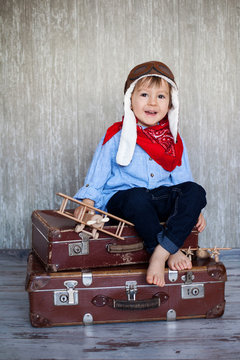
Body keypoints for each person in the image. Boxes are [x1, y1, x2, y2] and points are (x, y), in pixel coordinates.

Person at [74, 60, 207, 287]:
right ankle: (166, 251)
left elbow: (182, 179)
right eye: (144, 94)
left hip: (158, 197)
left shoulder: (172, 139)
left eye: (161, 96)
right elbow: (99, 170)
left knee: (196, 192)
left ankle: (162, 251)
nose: (153, 102)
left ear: (171, 103)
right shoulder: (117, 134)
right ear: (130, 99)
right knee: (138, 196)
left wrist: (192, 208)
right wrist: (88, 200)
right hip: (126, 199)